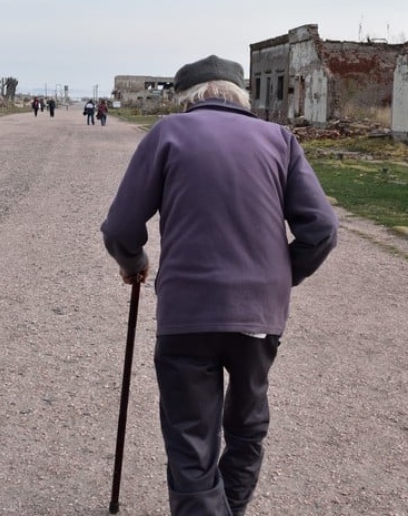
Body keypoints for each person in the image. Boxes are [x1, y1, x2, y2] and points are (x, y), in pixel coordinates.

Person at [100, 55, 338, 516]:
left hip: (188, 312)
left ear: (184, 98)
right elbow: (322, 229)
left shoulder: (168, 133)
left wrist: (134, 260)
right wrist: (281, 276)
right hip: (259, 314)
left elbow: (120, 228)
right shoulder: (279, 139)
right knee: (247, 428)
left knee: (191, 438)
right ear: (241, 96)